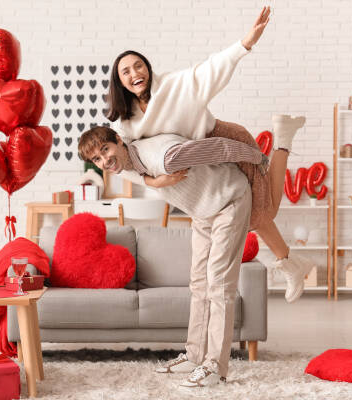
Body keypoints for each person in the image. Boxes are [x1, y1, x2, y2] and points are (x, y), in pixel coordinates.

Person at [77, 125, 314, 388]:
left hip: (229, 201)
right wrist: (155, 182)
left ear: (119, 141)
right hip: (202, 211)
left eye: (105, 150)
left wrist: (257, 157)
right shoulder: (124, 166)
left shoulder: (161, 155)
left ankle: (215, 367)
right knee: (198, 283)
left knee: (219, 282)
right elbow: (141, 176)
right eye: (97, 159)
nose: (105, 160)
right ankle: (194, 356)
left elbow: (216, 148)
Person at [105, 6, 312, 302]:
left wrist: (245, 43)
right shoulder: (126, 122)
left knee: (263, 211)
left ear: (147, 67)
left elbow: (210, 70)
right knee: (258, 213)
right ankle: (291, 263)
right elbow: (123, 163)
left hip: (224, 141)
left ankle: (283, 141)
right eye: (126, 71)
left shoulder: (173, 86)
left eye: (139, 65)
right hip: (202, 161)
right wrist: (152, 183)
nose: (135, 72)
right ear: (119, 81)